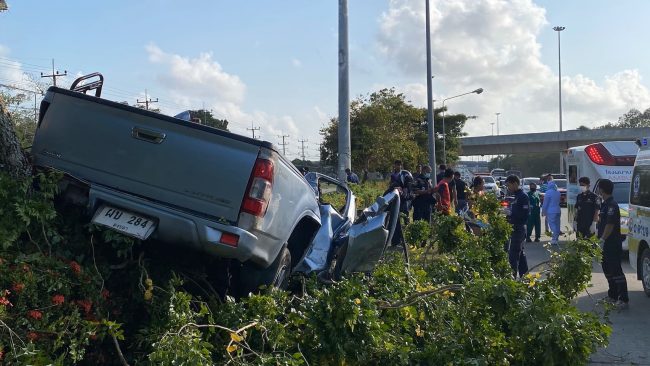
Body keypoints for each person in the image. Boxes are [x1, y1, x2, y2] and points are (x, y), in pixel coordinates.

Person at [596, 179, 629, 309]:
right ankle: (613, 295)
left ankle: (623, 298)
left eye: (599, 188)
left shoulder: (612, 205)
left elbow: (610, 225)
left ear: (602, 189)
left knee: (616, 271)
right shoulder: (604, 204)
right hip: (606, 244)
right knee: (607, 269)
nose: (598, 190)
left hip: (612, 243)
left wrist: (603, 239)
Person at [505, 175, 530, 278]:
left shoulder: (523, 197)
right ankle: (525, 276)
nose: (508, 187)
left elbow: (525, 215)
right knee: (520, 253)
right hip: (513, 227)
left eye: (509, 185)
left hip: (519, 228)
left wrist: (511, 214)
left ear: (515, 183)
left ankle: (512, 278)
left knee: (513, 255)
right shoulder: (514, 196)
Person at [541, 181, 561, 245]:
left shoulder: (548, 192)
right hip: (558, 210)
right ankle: (556, 238)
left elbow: (545, 203)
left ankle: (554, 239)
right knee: (557, 224)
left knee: (552, 225)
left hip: (551, 211)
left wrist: (543, 211)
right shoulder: (558, 192)